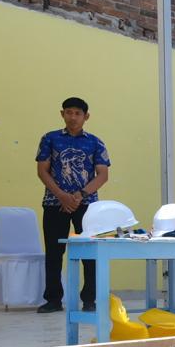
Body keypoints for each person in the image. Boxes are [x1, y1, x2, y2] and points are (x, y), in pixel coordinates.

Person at [35, 97, 110, 312]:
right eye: (68, 112)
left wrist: (79, 194)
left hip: (87, 205)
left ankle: (89, 299)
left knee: (89, 252)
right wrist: (61, 195)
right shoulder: (50, 139)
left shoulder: (96, 142)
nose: (73, 117)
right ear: (62, 114)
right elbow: (42, 170)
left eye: (78, 113)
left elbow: (102, 175)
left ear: (86, 117)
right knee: (54, 251)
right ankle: (53, 299)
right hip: (54, 203)